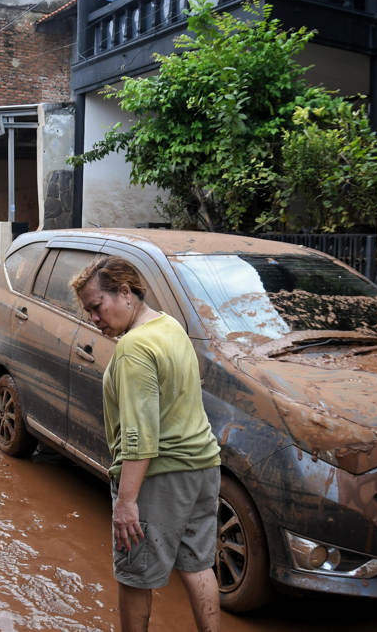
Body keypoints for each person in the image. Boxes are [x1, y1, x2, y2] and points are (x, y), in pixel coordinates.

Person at [71, 256, 222, 632]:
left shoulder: (134, 348)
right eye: (89, 311)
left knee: (135, 575)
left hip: (160, 476)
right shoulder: (169, 326)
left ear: (125, 292)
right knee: (199, 565)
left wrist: (126, 502)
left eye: (97, 307)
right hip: (204, 466)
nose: (94, 319)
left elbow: (139, 436)